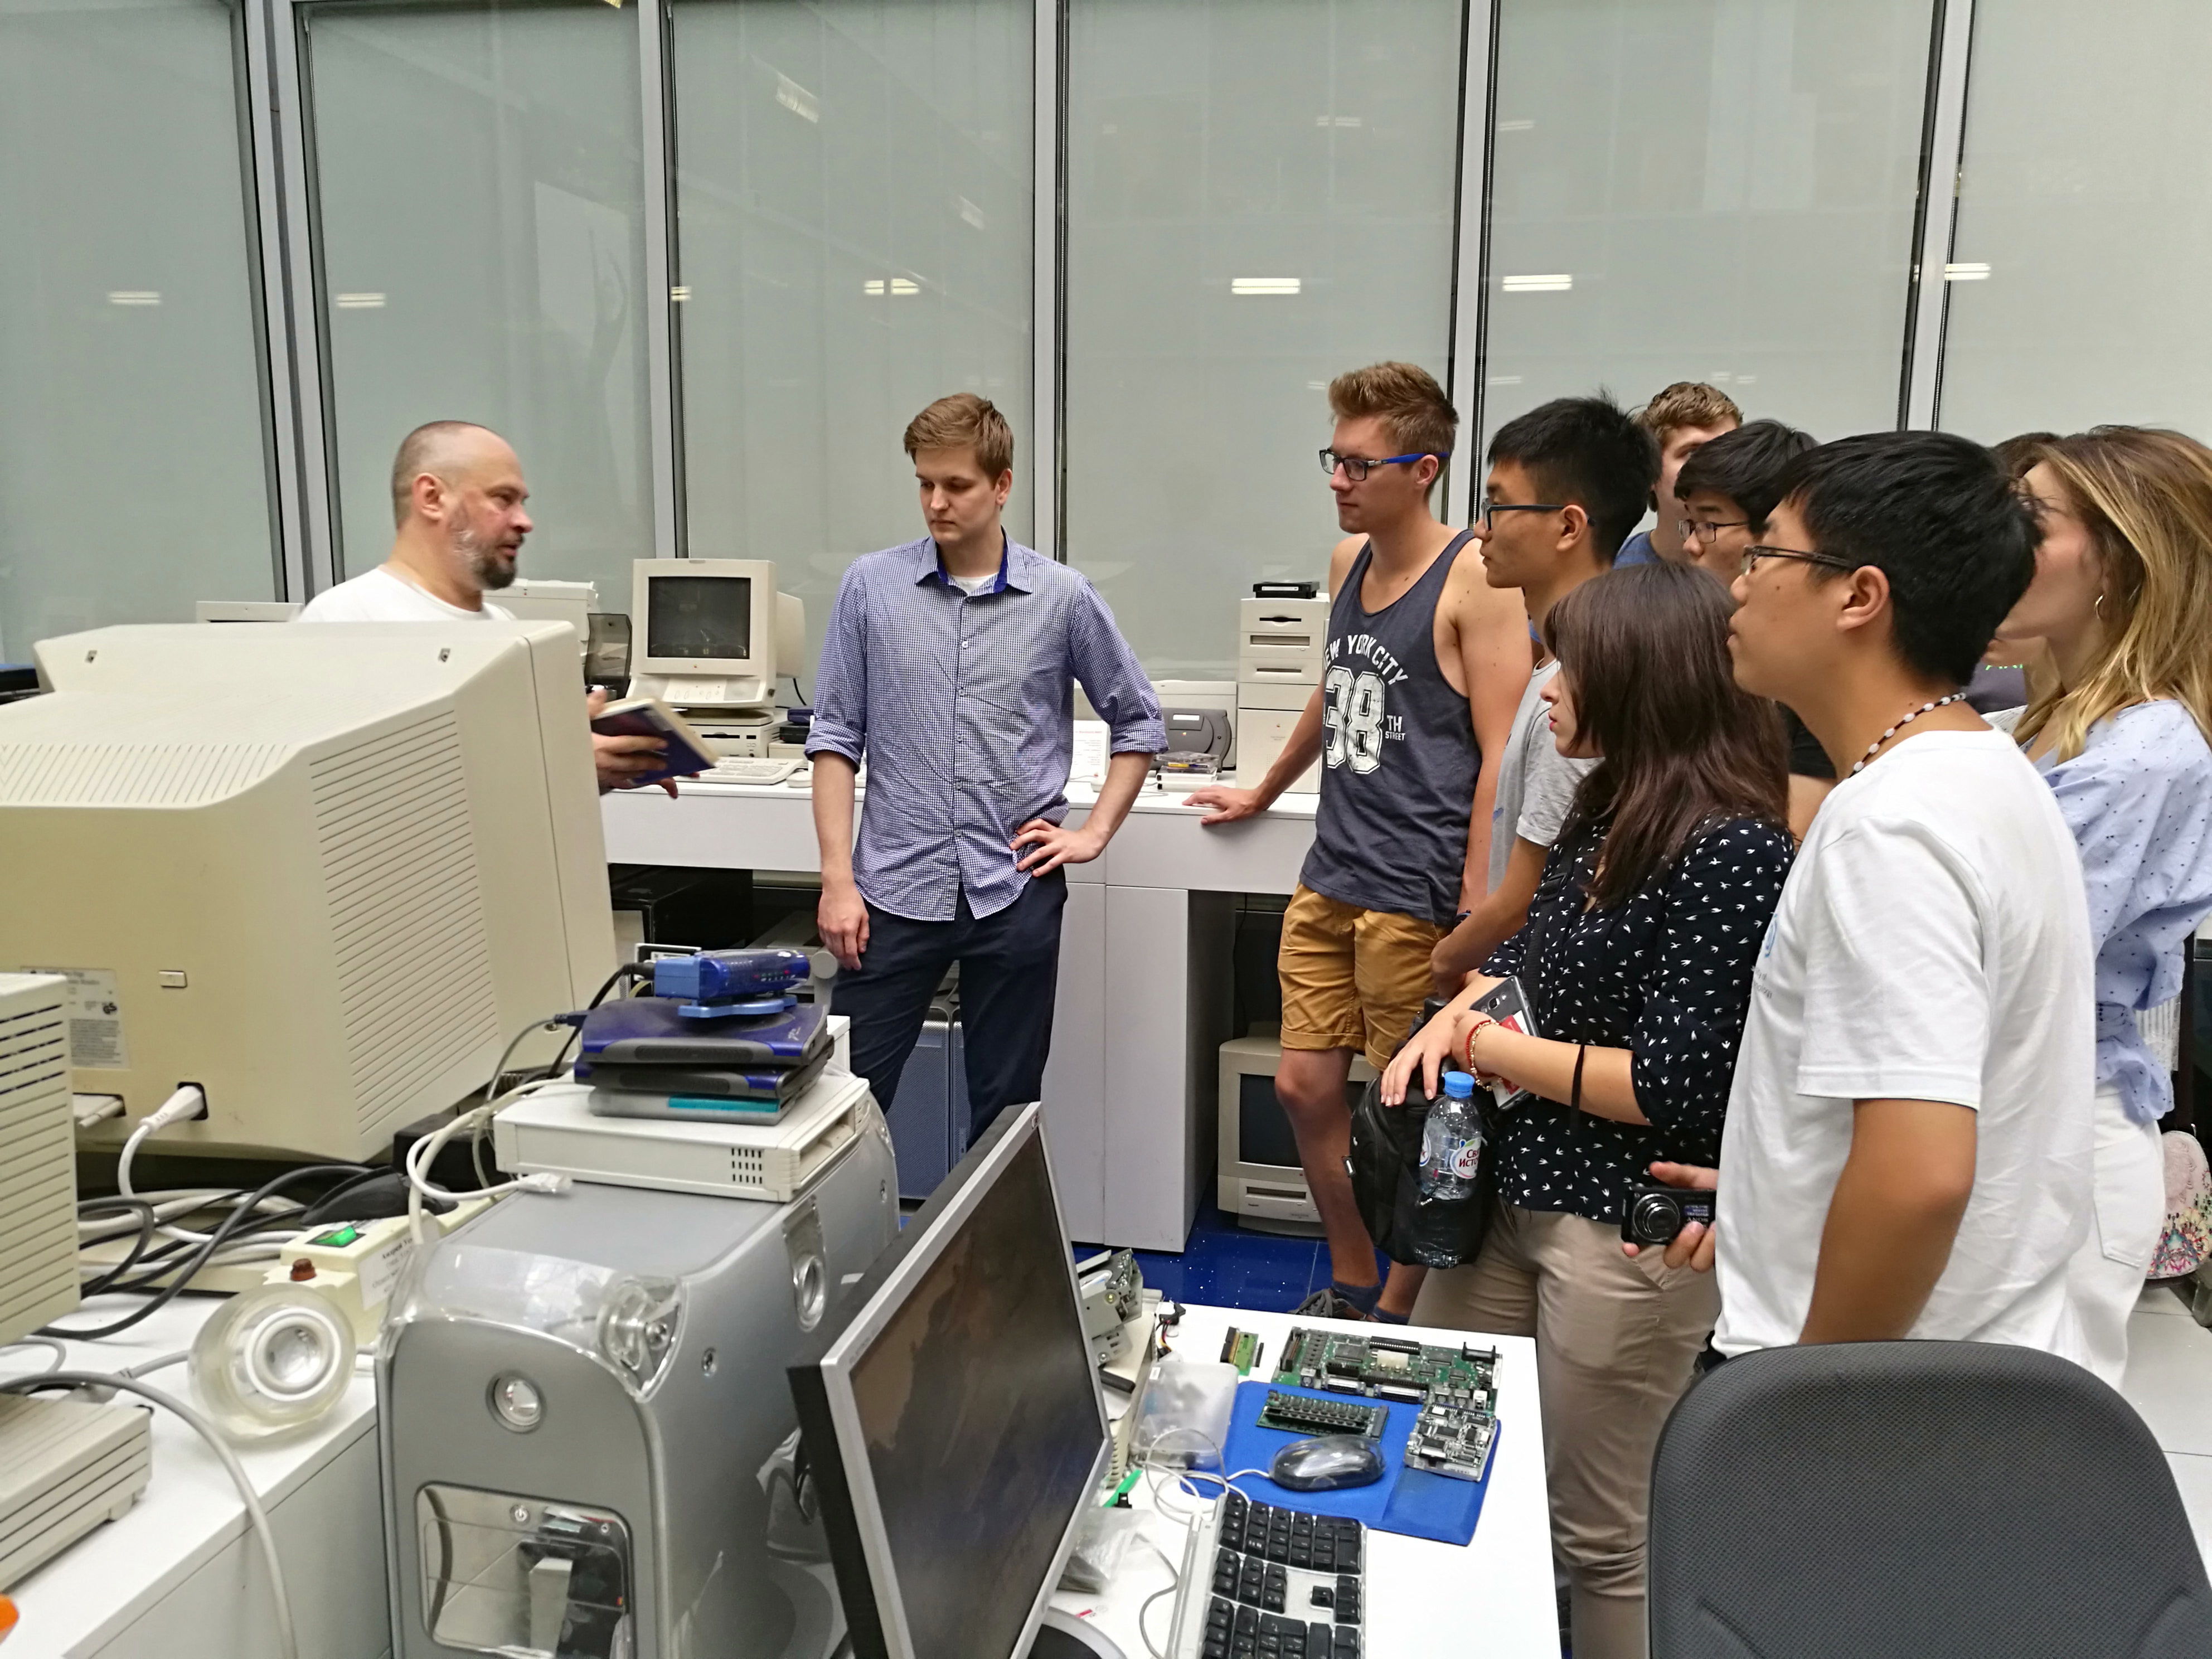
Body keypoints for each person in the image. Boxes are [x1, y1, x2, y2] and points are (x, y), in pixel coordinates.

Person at [1381, 560, 1792, 1659]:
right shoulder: (1601, 804)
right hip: (1510, 1193)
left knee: (1598, 1536)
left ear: (1641, 680)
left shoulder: (1732, 849)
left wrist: (1491, 1047)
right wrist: (1450, 1017)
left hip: (1619, 1226)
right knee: (1440, 1452)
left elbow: (1673, 1081)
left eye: (1569, 669)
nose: (1548, 690)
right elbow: (1533, 955)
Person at [1708, 431, 2095, 1369]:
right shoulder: (1980, 769)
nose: (1738, 585)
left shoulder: (1892, 823)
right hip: (1968, 1358)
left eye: (1766, 552)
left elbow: (1919, 1177)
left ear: (1859, 595)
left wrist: (1809, 1400)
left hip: (1878, 1385)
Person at [1186, 362, 1527, 1322]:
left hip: (1415, 892)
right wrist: (1264, 787)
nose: (1337, 480)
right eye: (1332, 460)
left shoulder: (1474, 580)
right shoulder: (1349, 563)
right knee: (1303, 1087)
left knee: (1409, 1109)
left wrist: (1475, 901)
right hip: (1332, 872)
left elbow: (1501, 752)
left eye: (1358, 465)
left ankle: (1397, 1305)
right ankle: (1353, 1276)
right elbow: (1336, 692)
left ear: (1423, 471)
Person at [806, 394, 1162, 1143]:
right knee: (838, 1109)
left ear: (1001, 486)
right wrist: (837, 881)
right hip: (890, 893)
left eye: (956, 485)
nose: (936, 502)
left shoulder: (1061, 597)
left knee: (1006, 1114)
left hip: (1015, 889)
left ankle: (991, 1228)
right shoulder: (870, 588)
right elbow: (835, 736)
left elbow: (1138, 721)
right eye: (925, 483)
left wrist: (1093, 834)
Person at [1985, 427, 2212, 1386]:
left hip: (2052, 1134)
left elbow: (2007, 962)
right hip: (2018, 1117)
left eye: (2030, 521)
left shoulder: (2142, 754)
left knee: (2013, 1443)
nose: (1997, 542)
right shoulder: (2048, 725)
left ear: (2119, 559)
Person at [300, 420, 671, 793]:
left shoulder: (505, 629)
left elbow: (514, 787)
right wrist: (557, 759)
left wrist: (604, 765)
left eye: (521, 503)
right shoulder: (343, 622)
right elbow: (350, 792)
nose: (525, 522)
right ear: (432, 498)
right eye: (503, 499)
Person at [1428, 395, 1656, 995]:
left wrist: (1442, 963)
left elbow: (1527, 897)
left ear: (1568, 526)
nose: (1480, 530)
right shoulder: (1554, 660)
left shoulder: (1584, 684)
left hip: (1533, 987)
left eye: (1497, 507)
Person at [1672, 419, 1833, 836]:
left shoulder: (1814, 668)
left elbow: (1790, 837)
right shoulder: (1692, 638)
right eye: (1689, 523)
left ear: (1776, 534)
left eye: (1709, 524)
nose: (1691, 544)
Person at [1612, 382, 1740, 566]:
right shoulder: (1610, 571)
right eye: (1693, 453)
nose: (1718, 465)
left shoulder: (1761, 568)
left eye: (1728, 451)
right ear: (1650, 471)